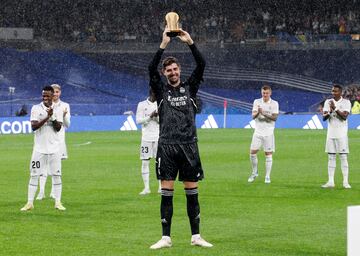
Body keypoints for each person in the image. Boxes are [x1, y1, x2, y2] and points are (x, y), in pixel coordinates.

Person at [148, 28, 212, 249]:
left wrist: (190, 42)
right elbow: (150, 69)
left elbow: (202, 65)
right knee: (166, 194)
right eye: (169, 70)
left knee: (192, 193)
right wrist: (163, 44)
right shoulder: (161, 90)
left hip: (189, 147)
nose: (173, 72)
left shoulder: (189, 88)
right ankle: (166, 238)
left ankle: (196, 236)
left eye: (175, 69)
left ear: (179, 70)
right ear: (165, 73)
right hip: (166, 147)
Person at [20, 86, 66, 211]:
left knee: (56, 175)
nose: (45, 98)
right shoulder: (36, 108)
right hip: (39, 150)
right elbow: (34, 127)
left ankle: (58, 202)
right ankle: (30, 203)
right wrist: (46, 117)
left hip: (55, 149)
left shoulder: (59, 109)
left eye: (48, 96)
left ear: (53, 96)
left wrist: (52, 117)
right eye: (43, 96)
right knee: (34, 174)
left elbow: (58, 128)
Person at [36, 84, 71, 200]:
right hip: (44, 140)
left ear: (59, 93)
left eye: (57, 92)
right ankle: (41, 192)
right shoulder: (42, 106)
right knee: (42, 167)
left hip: (58, 141)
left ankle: (52, 192)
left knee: (55, 169)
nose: (55, 94)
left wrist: (65, 116)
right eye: (53, 92)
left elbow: (67, 125)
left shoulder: (65, 106)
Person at [321, 85, 351, 189]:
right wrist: (329, 111)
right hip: (331, 134)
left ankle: (345, 182)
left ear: (341, 92)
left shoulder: (346, 102)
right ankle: (330, 181)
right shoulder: (327, 102)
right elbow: (324, 118)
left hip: (341, 134)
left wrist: (335, 108)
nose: (334, 93)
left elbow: (344, 116)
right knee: (331, 157)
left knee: (343, 157)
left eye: (336, 91)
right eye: (333, 91)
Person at [247, 85, 279, 184]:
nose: (265, 95)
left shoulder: (274, 103)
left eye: (267, 93)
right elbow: (253, 116)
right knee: (252, 152)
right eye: (263, 93)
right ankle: (254, 172)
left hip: (269, 132)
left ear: (270, 93)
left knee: (268, 154)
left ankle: (267, 176)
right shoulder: (257, 102)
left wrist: (264, 113)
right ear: (261, 93)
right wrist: (258, 113)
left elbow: (275, 118)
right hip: (258, 131)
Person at [135, 88, 161, 195]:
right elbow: (138, 121)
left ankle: (160, 187)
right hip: (146, 138)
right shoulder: (141, 105)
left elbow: (162, 121)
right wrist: (150, 117)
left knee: (160, 163)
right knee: (145, 162)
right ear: (151, 93)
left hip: (158, 138)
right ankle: (146, 188)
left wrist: (156, 117)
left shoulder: (160, 104)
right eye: (156, 94)